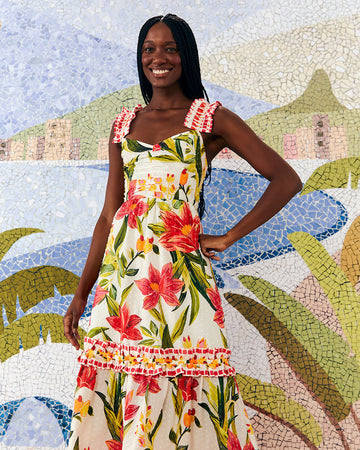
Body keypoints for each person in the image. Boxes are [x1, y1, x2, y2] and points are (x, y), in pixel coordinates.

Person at [63, 13, 302, 450]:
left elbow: (286, 178)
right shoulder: (124, 123)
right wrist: (82, 292)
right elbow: (108, 214)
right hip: (123, 282)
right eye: (150, 49)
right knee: (120, 382)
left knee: (192, 381)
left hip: (180, 280)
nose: (159, 58)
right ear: (140, 58)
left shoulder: (211, 118)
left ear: (185, 56)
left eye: (170, 48)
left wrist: (229, 236)